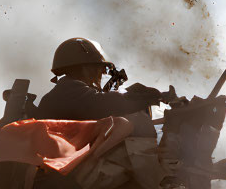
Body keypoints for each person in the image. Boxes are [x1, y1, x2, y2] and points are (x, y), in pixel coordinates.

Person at [34, 37, 164, 133]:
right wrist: (144, 97)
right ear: (84, 68)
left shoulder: (61, 92)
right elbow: (104, 104)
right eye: (97, 68)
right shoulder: (70, 92)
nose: (101, 73)